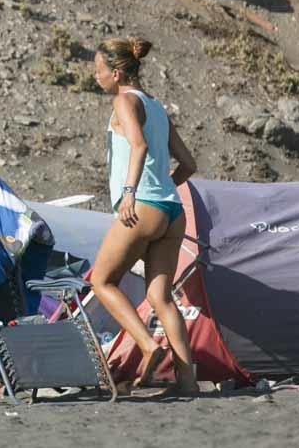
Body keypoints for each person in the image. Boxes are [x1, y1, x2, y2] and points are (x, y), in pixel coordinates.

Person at [91, 36, 200, 394]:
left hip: (143, 207)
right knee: (161, 297)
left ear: (118, 72)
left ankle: (148, 345)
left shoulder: (124, 100)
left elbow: (137, 145)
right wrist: (163, 188)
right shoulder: (155, 105)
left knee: (102, 281)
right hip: (171, 210)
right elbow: (188, 163)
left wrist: (130, 194)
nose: (95, 77)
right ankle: (187, 383)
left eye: (99, 70)